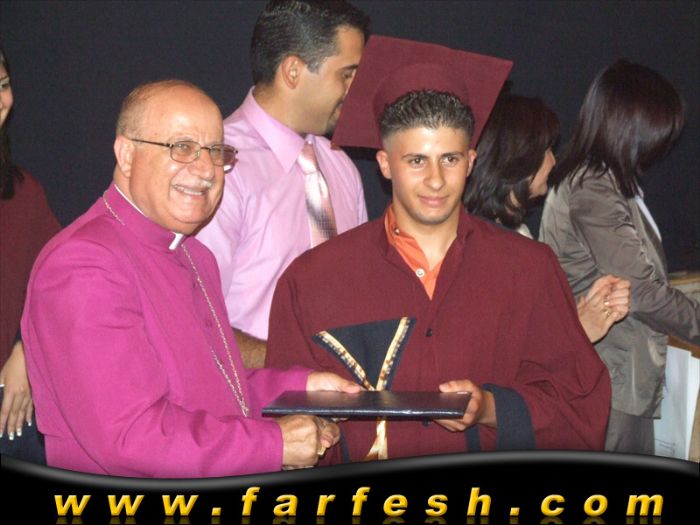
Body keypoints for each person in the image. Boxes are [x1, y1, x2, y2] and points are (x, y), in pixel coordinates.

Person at [265, 36, 612, 463]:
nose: (435, 180)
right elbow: (286, 421)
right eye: (416, 161)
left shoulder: (529, 270)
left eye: (449, 159)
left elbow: (580, 406)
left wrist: (490, 408)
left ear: (471, 161)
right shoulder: (313, 280)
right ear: (385, 164)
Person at [21, 79, 360, 477]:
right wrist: (274, 443)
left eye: (216, 152)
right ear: (126, 155)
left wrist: (302, 388)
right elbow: (131, 438)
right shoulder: (84, 264)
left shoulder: (194, 254)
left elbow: (216, 390)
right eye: (182, 148)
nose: (205, 170)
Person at [197, 0, 370, 368]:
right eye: (346, 74)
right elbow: (194, 322)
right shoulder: (216, 168)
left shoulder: (341, 167)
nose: (355, 90)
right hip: (250, 399)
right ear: (293, 71)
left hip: (341, 397)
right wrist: (297, 366)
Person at [540, 60, 700, 455]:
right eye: (656, 131)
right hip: (608, 380)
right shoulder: (592, 187)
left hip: (617, 377)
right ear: (628, 126)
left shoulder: (604, 180)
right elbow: (642, 291)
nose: (660, 144)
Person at [464, 94, 631, 344]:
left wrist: (585, 315)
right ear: (520, 157)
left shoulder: (511, 233)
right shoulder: (484, 250)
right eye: (547, 150)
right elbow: (506, 352)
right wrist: (580, 331)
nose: (554, 161)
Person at [0, 48, 61, 463]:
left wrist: (26, 351)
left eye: (3, 85)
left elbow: (59, 286)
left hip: (14, 414)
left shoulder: (24, 192)